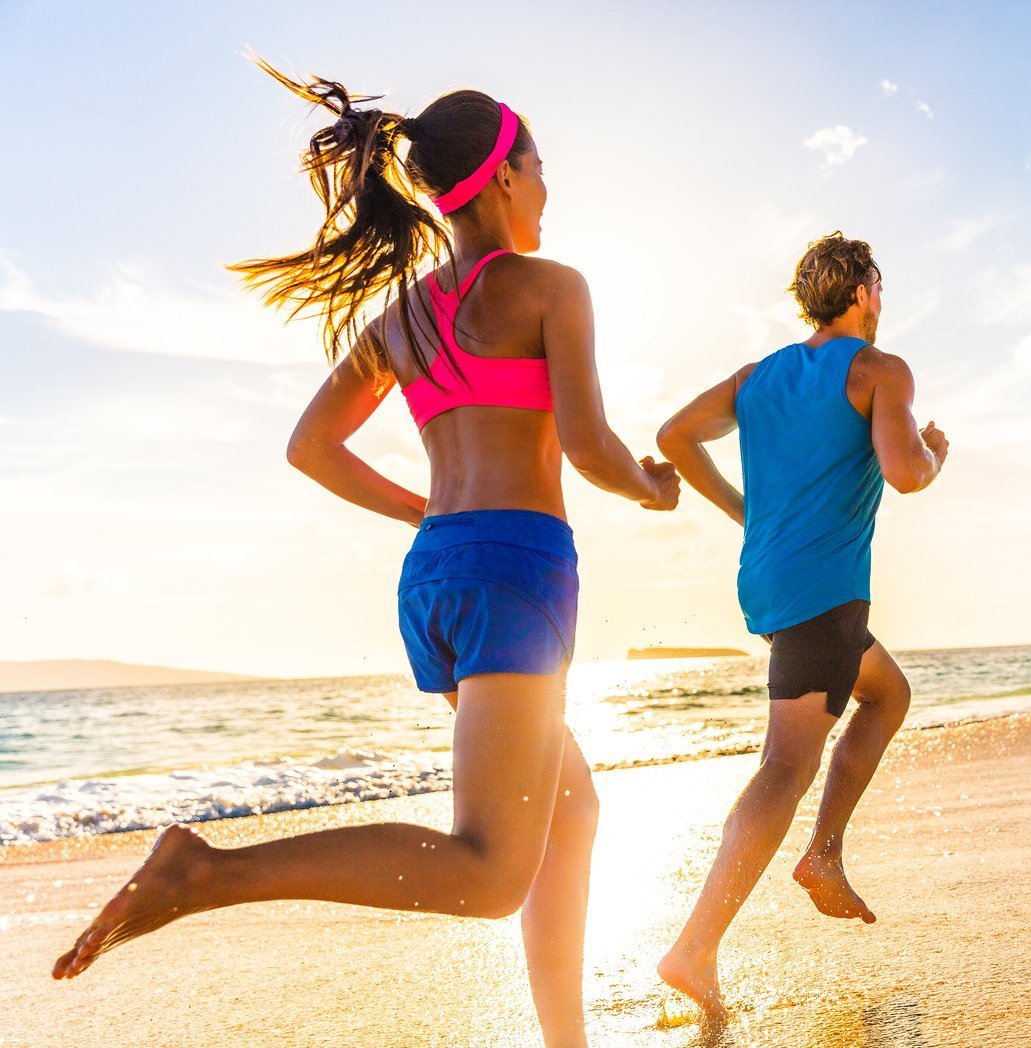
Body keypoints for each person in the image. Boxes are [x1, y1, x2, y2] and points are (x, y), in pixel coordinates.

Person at [51, 61, 678, 1048]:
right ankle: (206, 872)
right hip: (514, 574)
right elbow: (592, 447)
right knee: (489, 872)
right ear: (504, 177)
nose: (547, 189)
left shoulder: (402, 319)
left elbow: (312, 445)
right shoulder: (553, 287)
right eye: (539, 168)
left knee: (572, 809)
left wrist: (431, 510)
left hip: (438, 576)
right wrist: (651, 487)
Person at [653, 232, 948, 1017]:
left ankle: (824, 852)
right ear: (862, 290)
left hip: (772, 584)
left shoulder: (758, 376)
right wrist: (934, 453)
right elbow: (906, 474)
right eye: (878, 286)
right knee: (785, 764)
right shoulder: (878, 370)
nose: (880, 300)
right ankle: (694, 948)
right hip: (825, 590)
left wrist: (745, 513)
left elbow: (673, 436)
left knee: (886, 694)